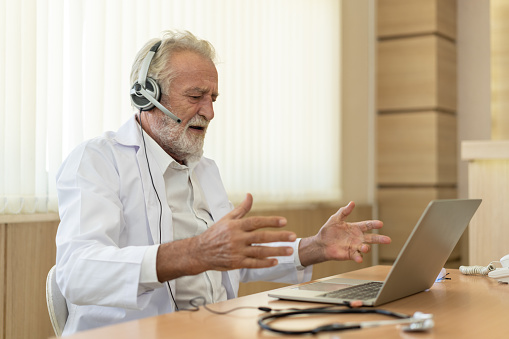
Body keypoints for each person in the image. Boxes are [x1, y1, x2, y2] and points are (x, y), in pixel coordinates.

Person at [55, 30, 391, 335]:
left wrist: (314, 247)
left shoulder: (205, 169)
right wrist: (194, 253)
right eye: (196, 96)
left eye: (213, 98)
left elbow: (234, 258)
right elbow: (77, 272)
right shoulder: (97, 160)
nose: (209, 112)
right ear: (147, 97)